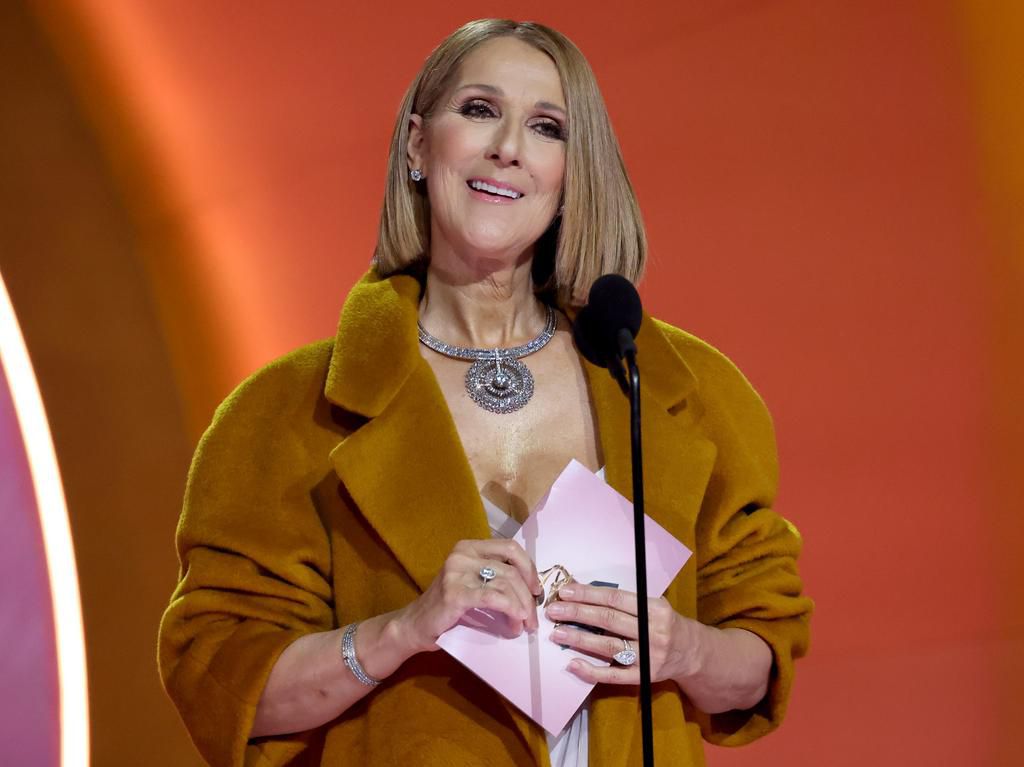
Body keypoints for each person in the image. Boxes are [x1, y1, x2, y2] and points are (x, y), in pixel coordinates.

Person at [158, 18, 812, 767]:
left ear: (572, 173)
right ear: (416, 144)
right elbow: (221, 684)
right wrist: (404, 628)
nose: (508, 146)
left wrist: (684, 647)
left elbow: (763, 653)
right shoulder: (283, 414)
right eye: (478, 110)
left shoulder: (675, 389)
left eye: (546, 126)